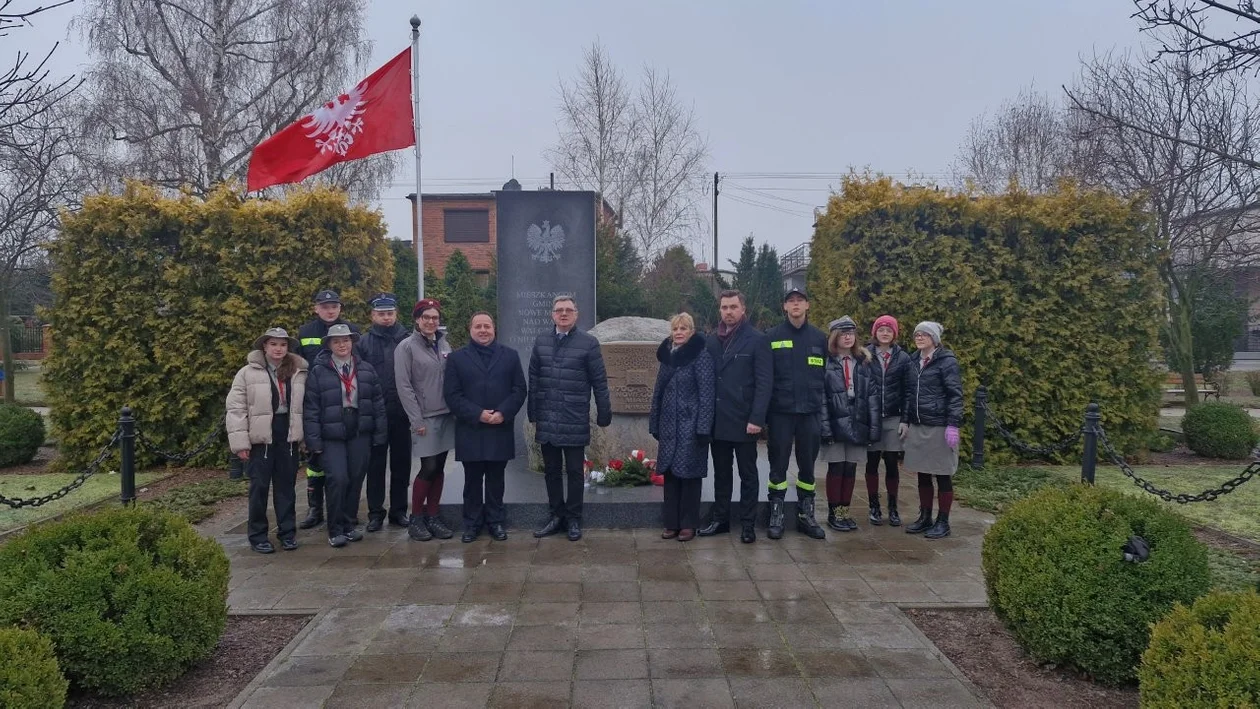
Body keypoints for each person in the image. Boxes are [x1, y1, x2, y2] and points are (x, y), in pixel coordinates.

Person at [528, 295, 612, 542]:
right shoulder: (541, 341)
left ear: (576, 314)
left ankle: (574, 518)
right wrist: (533, 413)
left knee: (575, 472)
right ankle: (556, 516)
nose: (563, 314)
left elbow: (599, 382)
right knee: (551, 471)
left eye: (568, 310)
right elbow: (534, 379)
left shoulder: (589, 343)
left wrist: (604, 414)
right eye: (559, 310)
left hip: (574, 417)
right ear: (552, 315)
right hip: (547, 417)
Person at [443, 312, 527, 543]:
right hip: (471, 429)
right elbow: (452, 394)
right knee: (471, 480)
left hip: (500, 427)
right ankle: (471, 524)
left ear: (494, 329)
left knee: (496, 479)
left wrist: (503, 412)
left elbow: (519, 390)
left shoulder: (510, 356)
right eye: (478, 326)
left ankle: (496, 521)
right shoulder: (457, 358)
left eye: (487, 326)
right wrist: (478, 414)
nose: (483, 330)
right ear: (470, 329)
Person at [303, 323, 387, 548]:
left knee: (356, 477)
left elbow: (377, 404)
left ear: (352, 343)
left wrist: (379, 434)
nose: (342, 345)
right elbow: (311, 408)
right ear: (329, 345)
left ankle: (349, 524)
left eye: (346, 340)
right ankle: (335, 529)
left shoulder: (366, 369)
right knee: (338, 479)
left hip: (359, 429)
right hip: (331, 433)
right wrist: (313, 441)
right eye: (337, 341)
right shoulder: (319, 371)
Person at [226, 327, 308, 554]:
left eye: (283, 345)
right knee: (259, 488)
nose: (278, 349)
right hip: (260, 436)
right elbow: (236, 408)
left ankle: (287, 533)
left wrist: (304, 438)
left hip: (287, 435)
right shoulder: (247, 373)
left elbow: (304, 407)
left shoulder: (298, 372)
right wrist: (241, 443)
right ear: (264, 346)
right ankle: (258, 535)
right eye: (273, 344)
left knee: (286, 488)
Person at [700, 290, 772, 544]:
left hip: (744, 420)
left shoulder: (757, 339)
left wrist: (757, 419)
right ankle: (720, 519)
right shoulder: (711, 341)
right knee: (721, 474)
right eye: (724, 307)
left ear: (743, 309)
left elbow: (764, 383)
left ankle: (748, 524)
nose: (728, 312)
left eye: (733, 307)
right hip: (718, 420)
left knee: (748, 475)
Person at [763, 287, 828, 540]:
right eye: (791, 301)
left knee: (808, 467)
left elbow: (826, 377)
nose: (796, 304)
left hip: (810, 413)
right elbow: (765, 377)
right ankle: (776, 513)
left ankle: (806, 515)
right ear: (785, 307)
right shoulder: (772, 336)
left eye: (800, 300)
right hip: (781, 413)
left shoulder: (819, 338)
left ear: (807, 305)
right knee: (778, 465)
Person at [297, 289, 361, 531]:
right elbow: (299, 367)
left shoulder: (351, 330)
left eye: (334, 306)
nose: (330, 310)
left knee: (344, 468)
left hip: (342, 403)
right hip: (316, 400)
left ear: (340, 308)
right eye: (325, 307)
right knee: (315, 462)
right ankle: (315, 508)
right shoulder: (306, 332)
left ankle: (344, 512)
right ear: (316, 308)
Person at [650, 313, 716, 542]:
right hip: (669, 424)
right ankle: (671, 523)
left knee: (689, 476)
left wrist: (703, 427)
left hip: (691, 425)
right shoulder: (667, 356)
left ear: (691, 331)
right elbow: (658, 393)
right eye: (676, 329)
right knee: (670, 475)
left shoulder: (700, 356)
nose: (679, 332)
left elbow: (706, 394)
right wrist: (654, 423)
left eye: (683, 328)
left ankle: (688, 524)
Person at [394, 298, 456, 542]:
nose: (431, 321)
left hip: (445, 415)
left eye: (435, 317)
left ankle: (433, 515)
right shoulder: (406, 347)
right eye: (426, 317)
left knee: (439, 467)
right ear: (417, 320)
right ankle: (416, 518)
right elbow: (404, 386)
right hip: (424, 417)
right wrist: (416, 420)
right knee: (428, 467)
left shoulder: (444, 343)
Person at [900, 321, 963, 540]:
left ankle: (943, 522)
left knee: (943, 475)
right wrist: (905, 420)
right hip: (918, 424)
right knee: (923, 474)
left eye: (925, 334)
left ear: (934, 339)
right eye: (917, 334)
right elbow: (909, 393)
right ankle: (925, 517)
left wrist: (953, 424)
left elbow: (955, 394)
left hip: (939, 426)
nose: (919, 337)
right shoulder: (913, 361)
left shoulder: (946, 361)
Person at [819, 316, 881, 532]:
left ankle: (845, 510)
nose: (848, 337)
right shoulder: (826, 361)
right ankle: (834, 512)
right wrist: (825, 427)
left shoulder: (864, 361)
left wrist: (873, 428)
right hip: (835, 419)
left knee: (851, 467)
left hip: (857, 419)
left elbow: (872, 396)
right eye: (843, 334)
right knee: (836, 466)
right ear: (835, 337)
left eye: (851, 333)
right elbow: (821, 397)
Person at [356, 293, 411, 532]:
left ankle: (399, 511)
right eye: (381, 314)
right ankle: (375, 513)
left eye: (390, 313)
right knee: (375, 466)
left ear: (396, 314)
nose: (386, 317)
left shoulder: (408, 339)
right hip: (375, 415)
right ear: (372, 315)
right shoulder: (363, 343)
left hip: (402, 413)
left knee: (402, 465)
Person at [866, 315, 911, 526]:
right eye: (881, 329)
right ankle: (873, 506)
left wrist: (905, 419)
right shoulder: (865, 355)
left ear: (895, 334)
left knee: (892, 463)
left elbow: (908, 391)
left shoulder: (903, 358)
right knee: (872, 462)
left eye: (889, 330)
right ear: (875, 332)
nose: (885, 333)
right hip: (872, 417)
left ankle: (893, 507)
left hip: (894, 417)